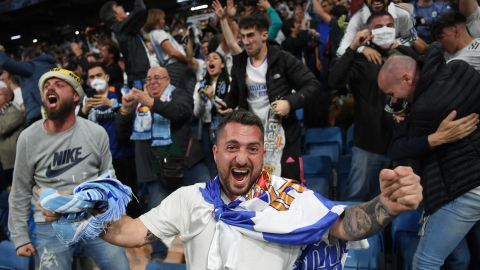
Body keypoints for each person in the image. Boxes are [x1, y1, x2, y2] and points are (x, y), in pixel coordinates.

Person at [60, 109, 425, 269]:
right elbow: (133, 231)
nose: (242, 157)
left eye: (252, 149)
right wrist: (91, 211)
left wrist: (386, 207)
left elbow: (345, 224)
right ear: (217, 153)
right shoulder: (189, 199)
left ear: (262, 155)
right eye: (232, 147)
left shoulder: (287, 197)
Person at [8, 68, 129, 270]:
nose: (50, 89)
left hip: (93, 218)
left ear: (75, 96)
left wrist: (114, 217)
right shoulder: (28, 138)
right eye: (46, 86)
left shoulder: (96, 133)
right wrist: (20, 237)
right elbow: (19, 191)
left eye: (59, 85)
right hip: (51, 225)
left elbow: (110, 180)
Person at [377, 45, 480, 269]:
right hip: (463, 177)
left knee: (426, 262)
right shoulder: (457, 68)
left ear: (406, 78)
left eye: (392, 95)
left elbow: (397, 148)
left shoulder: (426, 107)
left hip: (462, 187)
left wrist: (433, 138)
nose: (393, 102)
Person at [219, 14, 322, 181]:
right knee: (255, 188)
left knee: (288, 188)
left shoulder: (282, 59)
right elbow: (235, 94)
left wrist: (289, 103)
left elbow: (313, 85)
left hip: (284, 136)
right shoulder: (240, 63)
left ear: (264, 35)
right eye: (243, 36)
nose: (245, 41)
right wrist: (228, 105)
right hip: (252, 136)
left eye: (251, 35)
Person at [115, 66, 194, 260]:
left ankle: (198, 253)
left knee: (197, 212)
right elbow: (121, 134)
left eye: (157, 78)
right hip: (152, 170)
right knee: (155, 217)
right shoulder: (138, 102)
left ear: (168, 79)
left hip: (183, 166)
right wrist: (125, 110)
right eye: (148, 79)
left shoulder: (179, 94)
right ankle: (158, 256)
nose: (152, 82)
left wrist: (151, 102)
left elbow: (179, 113)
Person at [329, 11, 403, 201]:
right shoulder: (361, 61)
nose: (385, 30)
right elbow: (334, 80)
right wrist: (355, 47)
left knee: (399, 205)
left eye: (389, 25)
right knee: (357, 203)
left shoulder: (405, 55)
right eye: (378, 27)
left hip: (402, 145)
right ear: (368, 33)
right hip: (367, 147)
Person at [80, 63, 140, 217]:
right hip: (100, 163)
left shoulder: (120, 93)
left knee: (131, 201)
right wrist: (83, 112)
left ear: (106, 77)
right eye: (92, 77)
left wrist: (113, 104)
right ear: (88, 82)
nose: (95, 79)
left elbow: (133, 113)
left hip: (124, 155)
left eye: (98, 75)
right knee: (109, 205)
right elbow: (77, 128)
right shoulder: (85, 101)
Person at [336, 0, 416, 60]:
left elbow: (411, 38)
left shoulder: (402, 14)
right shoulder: (357, 19)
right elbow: (340, 51)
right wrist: (362, 49)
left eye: (389, 25)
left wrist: (398, 42)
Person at [193, 51, 230, 178]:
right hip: (205, 129)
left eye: (215, 58)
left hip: (225, 128)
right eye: (208, 59)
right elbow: (197, 113)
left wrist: (212, 97)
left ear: (223, 65)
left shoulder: (230, 82)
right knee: (211, 165)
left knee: (224, 163)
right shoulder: (200, 85)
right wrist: (203, 99)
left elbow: (228, 107)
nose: (211, 61)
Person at [143, 8, 197, 94]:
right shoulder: (159, 33)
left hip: (173, 67)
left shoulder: (154, 34)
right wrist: (187, 59)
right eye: (162, 18)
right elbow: (172, 52)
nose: (164, 21)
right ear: (157, 19)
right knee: (186, 93)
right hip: (176, 67)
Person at [0, 45, 55, 125]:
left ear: (27, 58)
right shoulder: (48, 66)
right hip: (51, 109)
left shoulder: (32, 66)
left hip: (39, 114)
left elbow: (8, 64)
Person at [99, 0, 150, 86]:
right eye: (117, 7)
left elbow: (142, 14)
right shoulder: (119, 28)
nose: (121, 7)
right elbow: (140, 10)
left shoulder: (124, 29)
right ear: (115, 14)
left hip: (141, 75)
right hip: (139, 78)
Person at [0, 82, 24, 190]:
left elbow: (2, 128)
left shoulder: (15, 112)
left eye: (0, 95)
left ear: (9, 97)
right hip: (3, 162)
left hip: (12, 161)